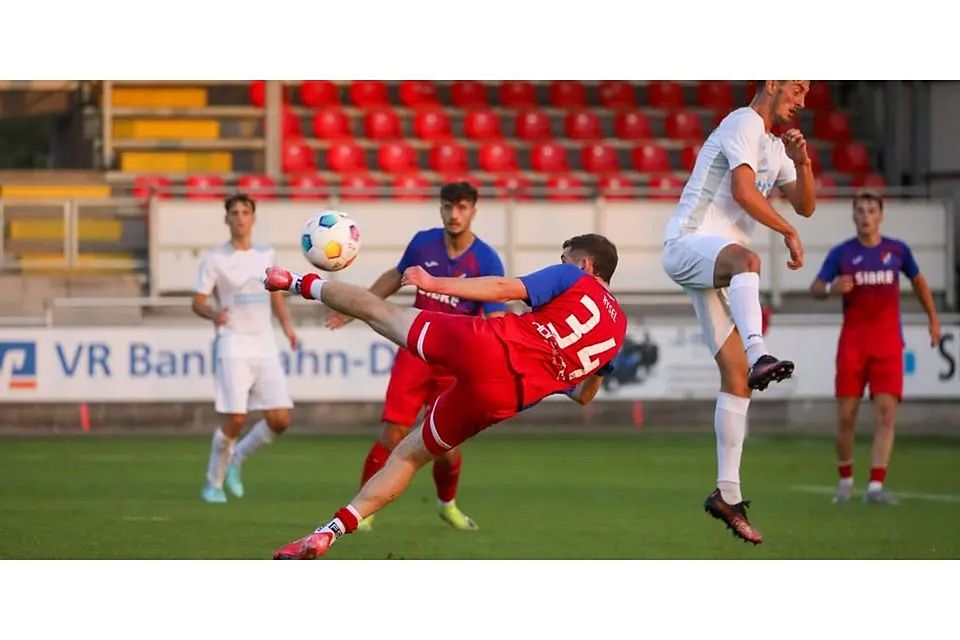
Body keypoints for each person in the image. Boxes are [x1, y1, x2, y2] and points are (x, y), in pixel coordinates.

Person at [264, 233, 626, 559]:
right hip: (503, 399)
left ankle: (296, 281)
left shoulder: (573, 277)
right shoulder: (618, 331)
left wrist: (434, 282)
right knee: (409, 455)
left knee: (381, 311)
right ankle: (331, 531)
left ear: (585, 264)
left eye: (565, 260)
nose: (561, 265)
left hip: (489, 346)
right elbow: (583, 395)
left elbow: (503, 288)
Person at [660, 81, 816, 544]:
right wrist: (786, 232)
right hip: (689, 244)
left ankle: (727, 493)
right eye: (798, 87)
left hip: (713, 262)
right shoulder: (743, 122)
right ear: (772, 82)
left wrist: (803, 161)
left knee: (734, 378)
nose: (802, 100)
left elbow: (806, 205)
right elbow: (745, 193)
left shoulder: (774, 144)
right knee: (749, 261)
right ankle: (760, 353)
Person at [325, 181, 506, 532]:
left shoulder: (486, 259)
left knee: (446, 447)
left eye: (462, 207)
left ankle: (447, 505)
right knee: (392, 433)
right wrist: (354, 309)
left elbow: (497, 314)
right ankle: (363, 513)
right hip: (416, 351)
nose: (454, 215)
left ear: (473, 211)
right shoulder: (423, 244)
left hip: (456, 364)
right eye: (448, 207)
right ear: (440, 209)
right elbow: (394, 277)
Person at [810, 192, 941, 504]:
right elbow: (815, 287)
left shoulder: (897, 251)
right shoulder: (842, 254)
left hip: (887, 344)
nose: (865, 215)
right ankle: (845, 483)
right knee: (846, 415)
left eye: (871, 210)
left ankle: (876, 488)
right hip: (853, 344)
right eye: (860, 210)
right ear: (853, 216)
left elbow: (919, 282)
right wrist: (831, 288)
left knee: (886, 415)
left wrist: (933, 320)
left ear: (881, 216)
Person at [192, 194, 299, 504]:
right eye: (234, 213)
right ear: (226, 219)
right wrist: (214, 313)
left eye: (245, 212)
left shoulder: (267, 253)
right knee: (235, 419)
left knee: (280, 420)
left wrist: (288, 328)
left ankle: (237, 457)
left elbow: (276, 293)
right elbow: (198, 301)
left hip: (264, 342)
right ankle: (213, 483)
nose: (240, 217)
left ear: (253, 218)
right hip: (233, 343)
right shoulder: (215, 259)